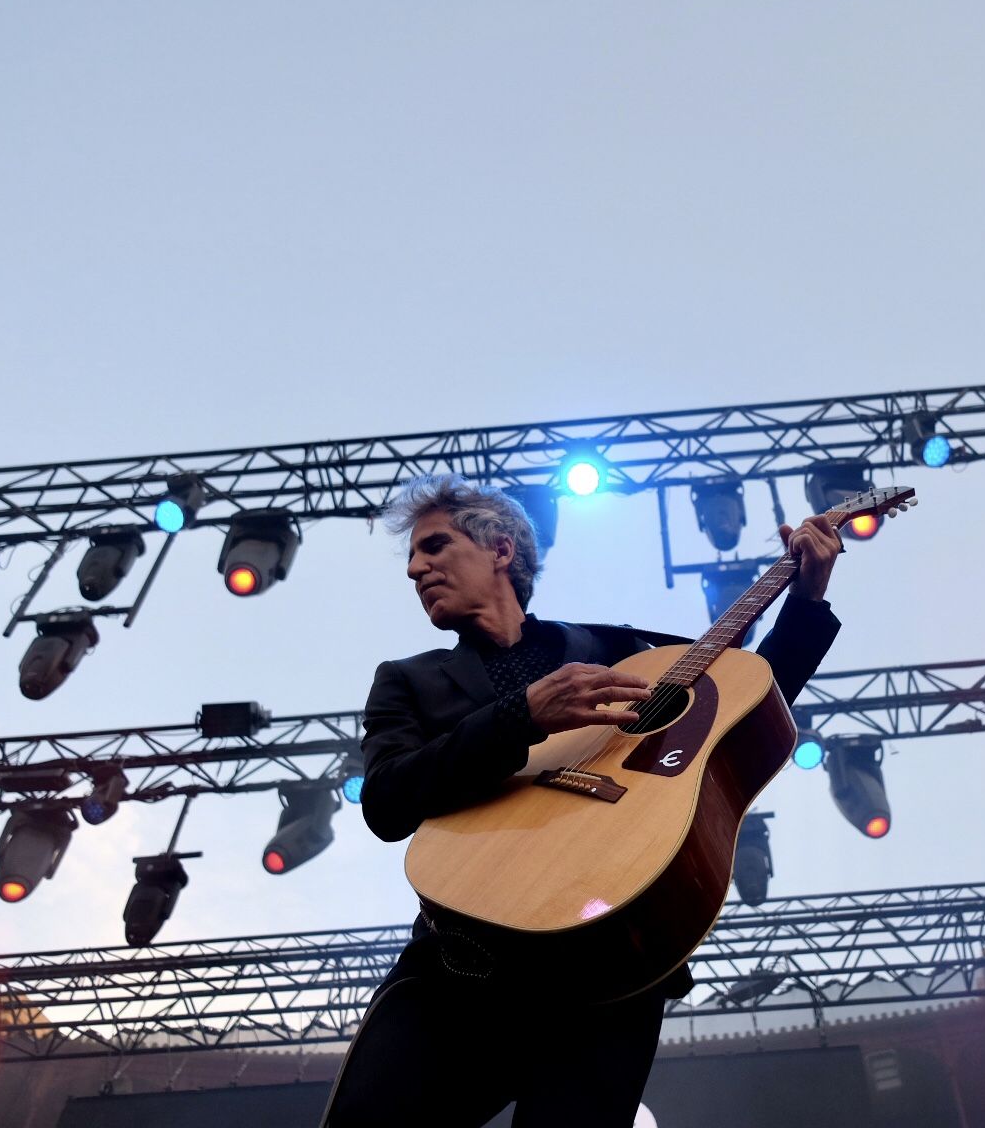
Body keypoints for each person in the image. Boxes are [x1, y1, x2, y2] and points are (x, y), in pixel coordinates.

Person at [324, 473, 843, 1128]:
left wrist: (804, 602)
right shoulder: (408, 681)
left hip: (612, 963)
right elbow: (387, 802)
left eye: (432, 546)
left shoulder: (617, 648)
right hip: (463, 966)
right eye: (410, 557)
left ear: (502, 549)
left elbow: (741, 716)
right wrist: (521, 716)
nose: (414, 569)